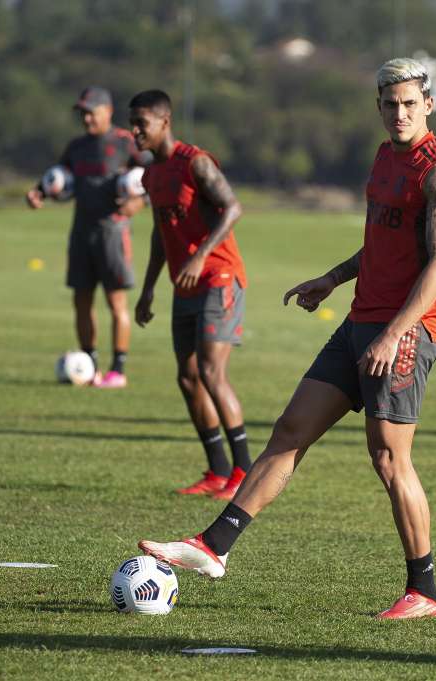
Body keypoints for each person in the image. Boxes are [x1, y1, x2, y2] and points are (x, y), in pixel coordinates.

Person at [138, 58, 436, 620]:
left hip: (403, 333)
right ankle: (214, 547)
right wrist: (332, 279)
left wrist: (393, 333)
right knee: (290, 431)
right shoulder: (385, 157)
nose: (400, 113)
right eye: (391, 104)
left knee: (390, 459)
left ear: (428, 105)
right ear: (378, 106)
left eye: (411, 104)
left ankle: (425, 591)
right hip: (360, 323)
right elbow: (383, 244)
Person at [129, 89, 252, 500]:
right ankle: (218, 471)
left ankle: (244, 473)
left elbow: (233, 208)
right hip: (184, 285)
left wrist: (200, 256)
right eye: (132, 124)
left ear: (164, 122)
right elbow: (160, 233)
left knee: (212, 373)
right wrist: (148, 289)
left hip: (220, 277)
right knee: (187, 377)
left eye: (141, 124)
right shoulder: (151, 174)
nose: (135, 131)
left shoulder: (195, 162)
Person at [26, 87, 147, 388]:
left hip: (113, 232)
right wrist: (38, 193)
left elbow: (154, 176)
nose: (87, 118)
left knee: (116, 302)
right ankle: (90, 365)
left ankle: (117, 369)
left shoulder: (125, 143)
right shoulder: (76, 147)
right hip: (81, 230)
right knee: (81, 301)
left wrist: (139, 201)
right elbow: (57, 177)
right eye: (83, 113)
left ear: (108, 111)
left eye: (91, 112)